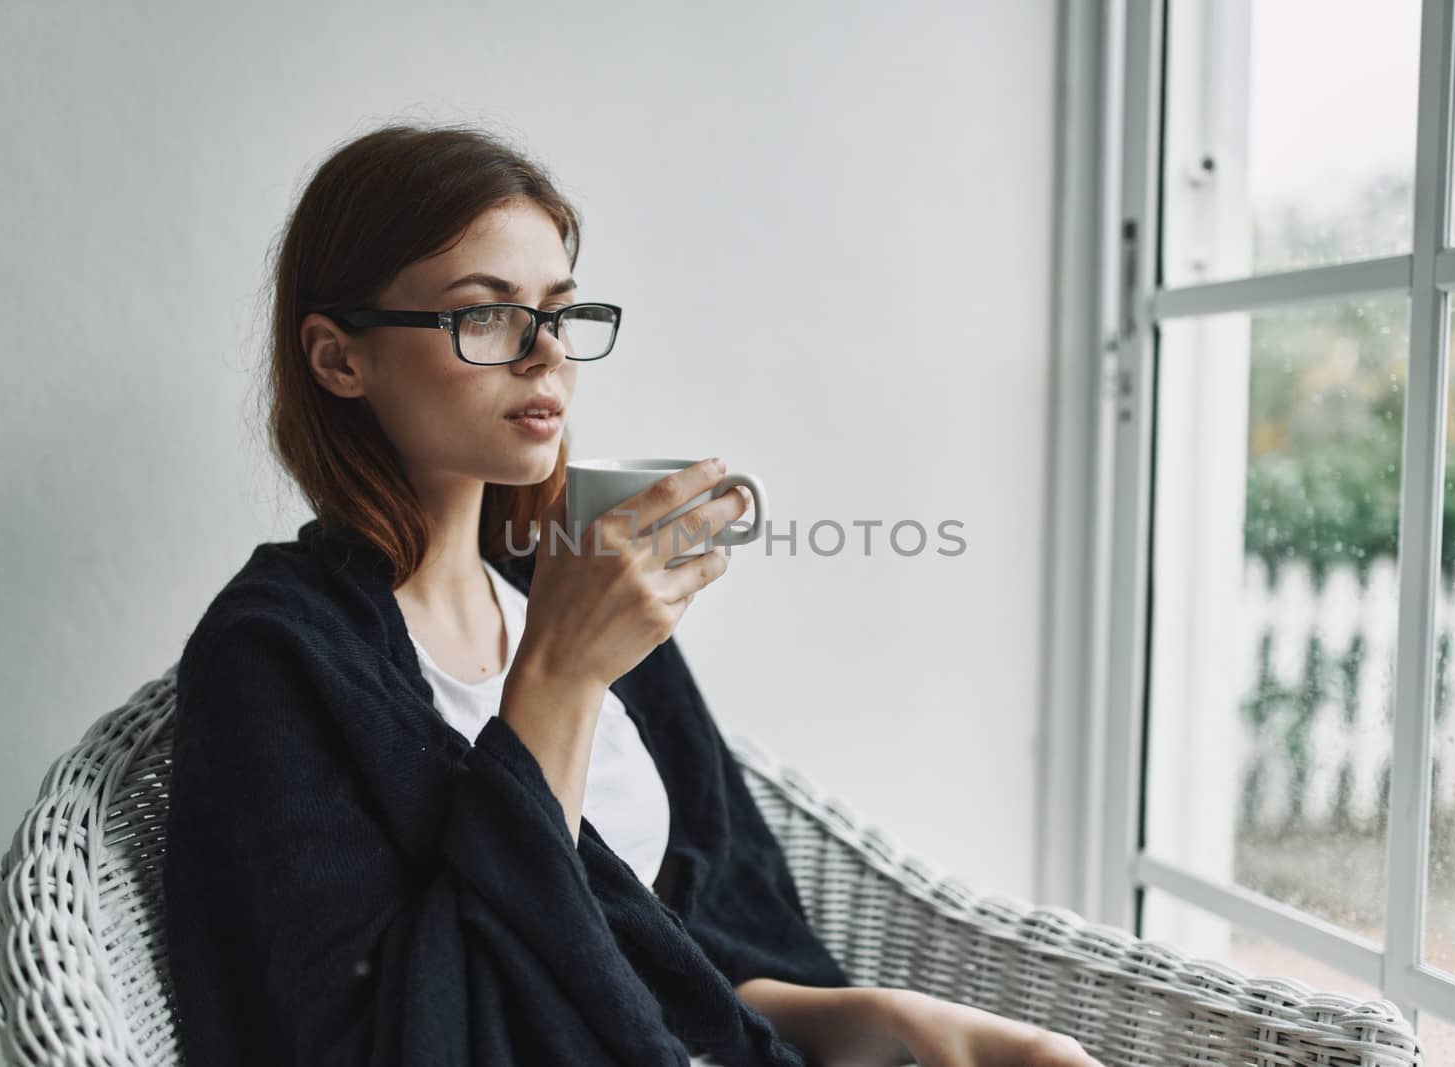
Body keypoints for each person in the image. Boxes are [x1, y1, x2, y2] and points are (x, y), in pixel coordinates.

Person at [162, 121, 1104, 1067]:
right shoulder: (277, 659)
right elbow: (402, 1035)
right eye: (485, 315)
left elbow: (688, 951)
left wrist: (894, 1019)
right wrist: (561, 680)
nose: (548, 357)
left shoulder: (556, 578)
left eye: (559, 311)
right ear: (338, 358)